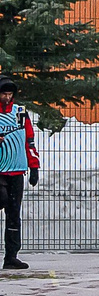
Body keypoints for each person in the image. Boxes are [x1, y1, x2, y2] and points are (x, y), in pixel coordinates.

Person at [0, 77, 35, 270]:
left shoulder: (20, 112)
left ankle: (11, 256)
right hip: (0, 171)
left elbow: (29, 139)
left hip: (17, 170)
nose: (7, 97)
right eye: (4, 94)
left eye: (10, 94)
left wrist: (34, 166)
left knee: (14, 214)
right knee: (2, 199)